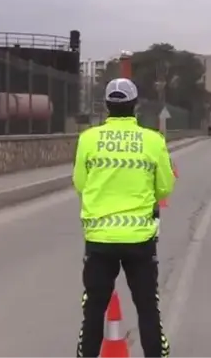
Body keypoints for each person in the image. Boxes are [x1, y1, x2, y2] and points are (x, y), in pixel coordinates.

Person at [72, 78, 175, 358]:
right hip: (139, 240)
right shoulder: (153, 141)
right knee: (147, 309)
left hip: (98, 240)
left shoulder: (88, 139)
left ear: (107, 106)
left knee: (93, 310)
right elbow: (164, 187)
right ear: (135, 106)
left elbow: (80, 183)